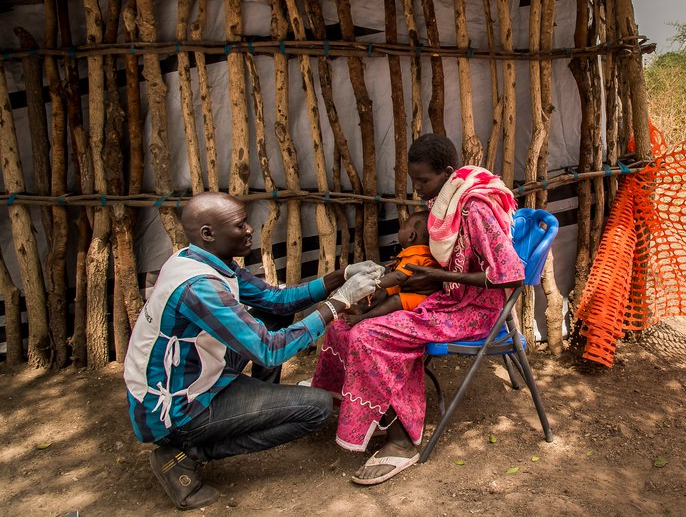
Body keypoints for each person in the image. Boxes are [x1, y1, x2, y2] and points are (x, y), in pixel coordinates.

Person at [123, 192, 383, 510]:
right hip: (175, 411)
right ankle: (186, 454)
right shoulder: (199, 288)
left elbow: (276, 300)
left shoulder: (198, 259)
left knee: (273, 314)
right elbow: (269, 350)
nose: (249, 229)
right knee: (316, 407)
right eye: (240, 224)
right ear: (208, 233)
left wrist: (340, 277)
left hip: (192, 375)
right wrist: (340, 301)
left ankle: (258, 405)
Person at [310, 133, 525, 485]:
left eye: (424, 180)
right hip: (447, 299)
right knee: (341, 327)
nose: (418, 189)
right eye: (414, 181)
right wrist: (411, 280)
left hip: (475, 311)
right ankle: (373, 412)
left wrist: (436, 275)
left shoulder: (475, 207)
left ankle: (403, 440)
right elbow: (437, 265)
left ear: (448, 173)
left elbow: (510, 276)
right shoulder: (445, 206)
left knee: (368, 333)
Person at [343, 211, 437, 326]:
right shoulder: (417, 253)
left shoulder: (416, 255)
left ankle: (363, 318)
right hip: (410, 290)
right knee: (386, 291)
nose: (399, 230)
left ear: (411, 236)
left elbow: (398, 277)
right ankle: (362, 308)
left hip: (422, 297)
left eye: (403, 227)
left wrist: (376, 283)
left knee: (395, 300)